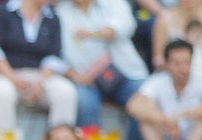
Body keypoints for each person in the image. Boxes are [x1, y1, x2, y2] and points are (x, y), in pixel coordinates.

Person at [0, 0, 79, 135]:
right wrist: (14, 79)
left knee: (66, 92)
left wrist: (41, 81)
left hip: (39, 75)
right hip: (5, 74)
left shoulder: (53, 17)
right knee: (2, 92)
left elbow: (53, 56)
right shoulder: (2, 12)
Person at [57, 0, 147, 129]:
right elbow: (54, 49)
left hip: (123, 73)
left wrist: (92, 34)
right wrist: (73, 74)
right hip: (84, 79)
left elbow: (125, 26)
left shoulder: (114, 3)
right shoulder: (60, 11)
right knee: (85, 103)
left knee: (145, 96)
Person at [127, 39, 202, 140]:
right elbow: (133, 105)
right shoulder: (158, 81)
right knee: (146, 120)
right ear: (167, 64)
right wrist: (165, 120)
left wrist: (184, 114)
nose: (183, 68)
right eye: (177, 63)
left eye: (187, 62)